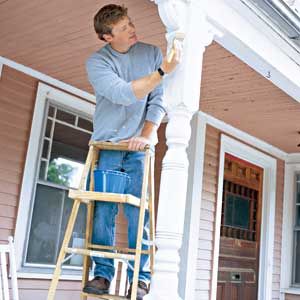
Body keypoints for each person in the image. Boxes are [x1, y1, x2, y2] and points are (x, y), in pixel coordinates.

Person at [83, 4, 179, 299]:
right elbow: (125, 94)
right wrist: (164, 70)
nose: (132, 29)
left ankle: (141, 278)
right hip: (108, 146)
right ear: (107, 37)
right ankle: (102, 274)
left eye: (130, 23)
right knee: (103, 213)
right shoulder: (97, 63)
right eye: (123, 28)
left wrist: (146, 135)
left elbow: (157, 100)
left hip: (138, 148)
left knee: (140, 214)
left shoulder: (149, 52)